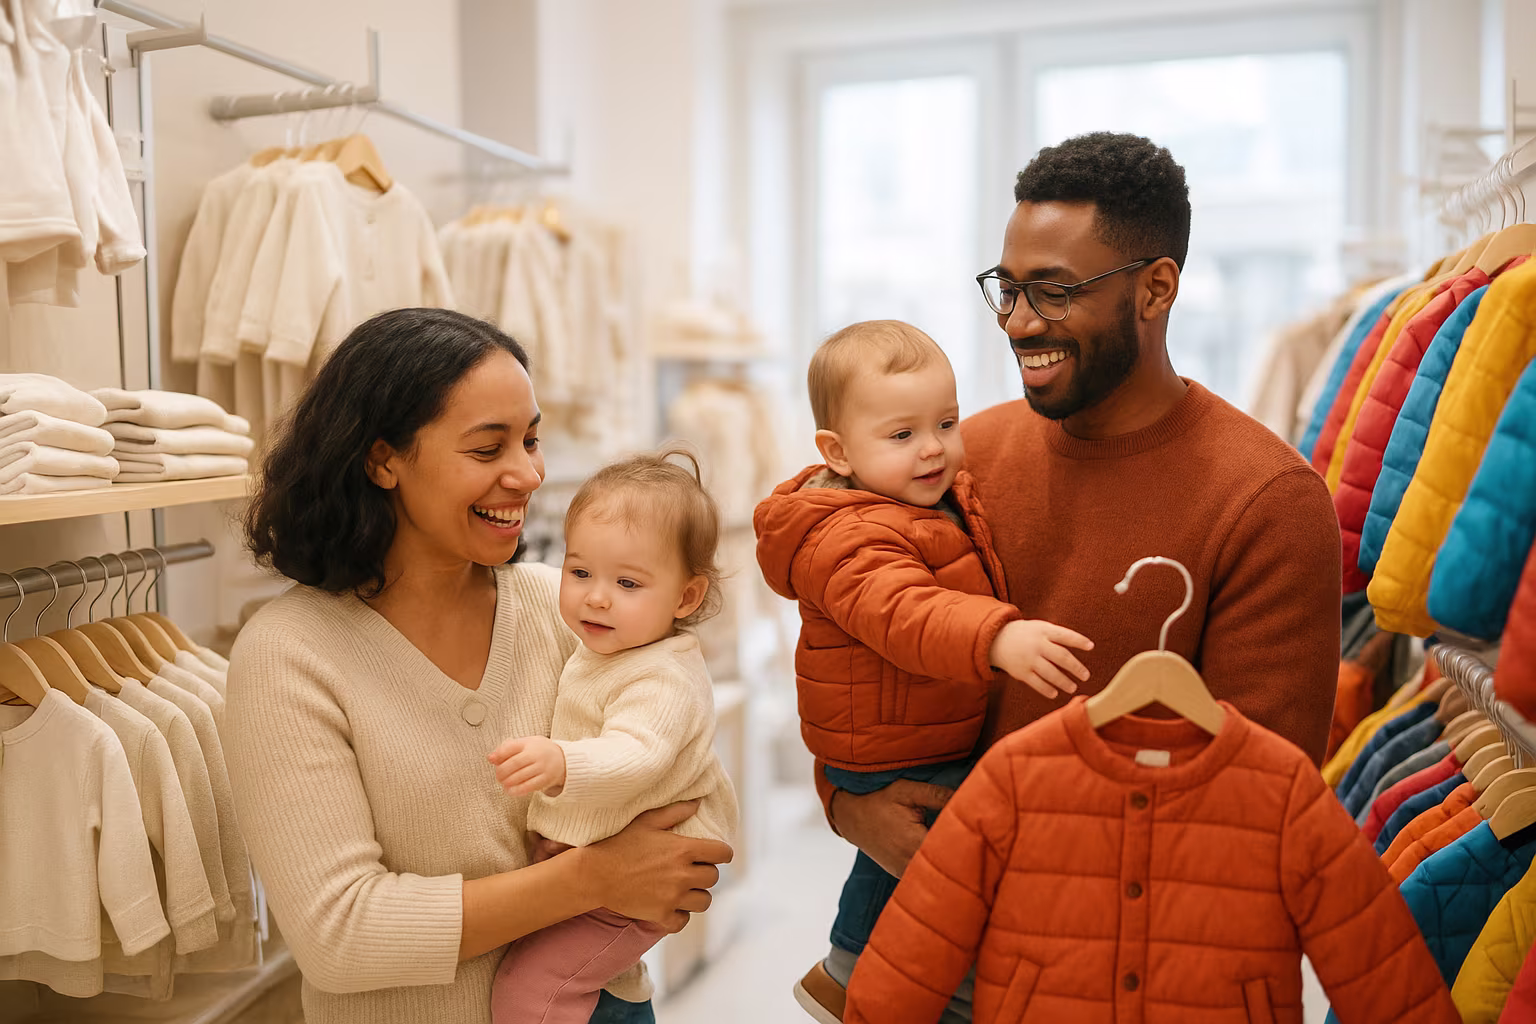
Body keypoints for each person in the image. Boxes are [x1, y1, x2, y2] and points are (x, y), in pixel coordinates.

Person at [800, 133, 1342, 1021]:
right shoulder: (963, 455)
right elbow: (857, 638)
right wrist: (845, 802)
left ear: (1156, 288)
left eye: (1052, 291)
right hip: (923, 946)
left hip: (1119, 971)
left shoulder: (1267, 499)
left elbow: (1260, 808)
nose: (1016, 320)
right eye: (1007, 289)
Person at [224, 308, 732, 1024]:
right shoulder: (290, 655)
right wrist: (594, 877)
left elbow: (680, 798)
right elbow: (341, 935)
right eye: (489, 449)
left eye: (530, 439)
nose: (528, 475)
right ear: (383, 459)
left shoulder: (566, 607)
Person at [755, 321, 1093, 1024]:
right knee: (965, 844)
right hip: (884, 742)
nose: (935, 447)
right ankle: (884, 968)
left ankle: (849, 966)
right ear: (837, 453)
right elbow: (904, 610)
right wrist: (1000, 636)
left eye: (945, 421)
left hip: (907, 729)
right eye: (902, 435)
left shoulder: (920, 499)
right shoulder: (844, 533)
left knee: (903, 860)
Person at [488, 449, 740, 1024]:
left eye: (627, 582)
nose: (595, 597)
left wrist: (562, 762)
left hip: (653, 869)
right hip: (609, 861)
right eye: (579, 573)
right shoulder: (611, 644)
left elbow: (638, 753)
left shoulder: (662, 674)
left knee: (536, 986)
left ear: (685, 598)